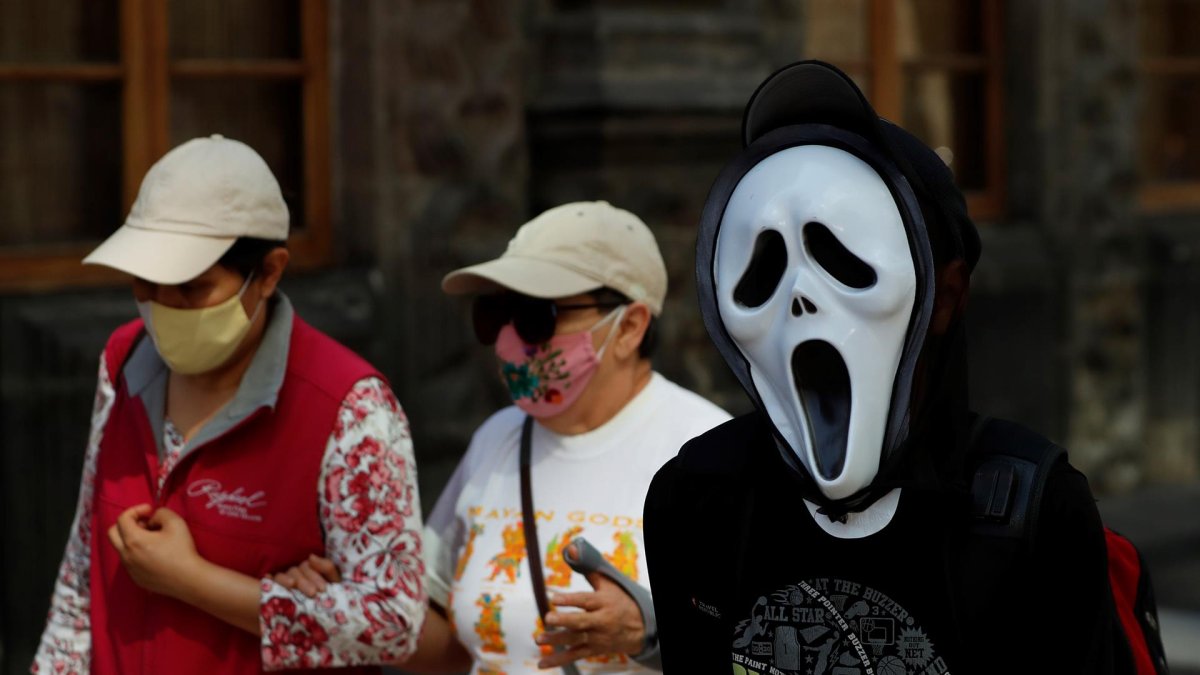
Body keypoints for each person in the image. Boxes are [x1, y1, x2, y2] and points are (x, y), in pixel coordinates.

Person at [644, 61, 1124, 674]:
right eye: (763, 269)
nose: (799, 296)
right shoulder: (699, 498)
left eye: (842, 258)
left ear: (945, 296)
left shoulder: (1030, 512)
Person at [276, 201, 730, 673]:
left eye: (538, 316)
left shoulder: (707, 454)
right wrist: (351, 596)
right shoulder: (498, 438)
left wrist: (650, 634)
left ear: (630, 327)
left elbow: (763, 643)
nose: (510, 339)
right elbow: (443, 648)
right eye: (496, 315)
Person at [32, 135, 425, 674]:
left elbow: (394, 621)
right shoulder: (123, 364)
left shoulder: (350, 410)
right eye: (145, 284)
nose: (164, 306)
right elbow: (81, 576)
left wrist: (194, 581)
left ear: (268, 272)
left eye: (191, 289)